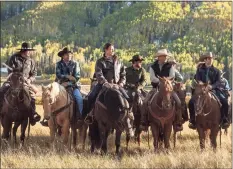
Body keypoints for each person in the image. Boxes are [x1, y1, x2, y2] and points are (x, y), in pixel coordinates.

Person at [140, 49, 183, 131]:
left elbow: (172, 76)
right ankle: (144, 122)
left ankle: (178, 122)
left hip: (168, 88)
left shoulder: (170, 66)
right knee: (145, 102)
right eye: (162, 56)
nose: (164, 58)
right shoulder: (153, 67)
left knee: (178, 102)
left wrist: (165, 82)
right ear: (158, 57)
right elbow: (152, 78)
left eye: (165, 56)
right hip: (156, 87)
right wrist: (160, 82)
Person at [85, 43, 129, 123]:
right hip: (103, 85)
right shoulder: (100, 61)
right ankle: (89, 114)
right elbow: (99, 74)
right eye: (110, 49)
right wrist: (105, 82)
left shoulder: (119, 62)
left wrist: (121, 83)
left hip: (117, 85)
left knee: (128, 98)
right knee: (91, 97)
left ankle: (128, 116)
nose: (112, 51)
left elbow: (123, 74)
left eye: (113, 49)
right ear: (105, 50)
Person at [0, 42, 41, 125]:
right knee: (2, 90)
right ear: (23, 50)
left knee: (32, 96)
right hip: (13, 81)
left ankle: (32, 115)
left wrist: (30, 80)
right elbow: (10, 71)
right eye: (28, 50)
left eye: (30, 51)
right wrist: (16, 76)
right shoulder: (13, 58)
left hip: (25, 83)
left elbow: (34, 73)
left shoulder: (31, 61)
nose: (29, 52)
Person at [40, 47, 83, 126]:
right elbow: (59, 75)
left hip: (73, 86)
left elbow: (76, 77)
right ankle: (48, 118)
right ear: (63, 56)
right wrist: (68, 76)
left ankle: (79, 117)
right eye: (67, 54)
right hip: (59, 86)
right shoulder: (58, 64)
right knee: (49, 99)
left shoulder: (75, 64)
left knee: (79, 98)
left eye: (70, 54)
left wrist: (68, 83)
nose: (69, 56)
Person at [188, 52, 230, 129]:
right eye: (208, 58)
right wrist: (202, 85)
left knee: (224, 101)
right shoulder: (199, 70)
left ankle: (224, 119)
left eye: (211, 58)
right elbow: (197, 79)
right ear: (205, 60)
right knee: (191, 102)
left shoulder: (217, 70)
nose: (210, 60)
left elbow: (218, 81)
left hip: (214, 90)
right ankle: (193, 120)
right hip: (201, 90)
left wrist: (211, 86)